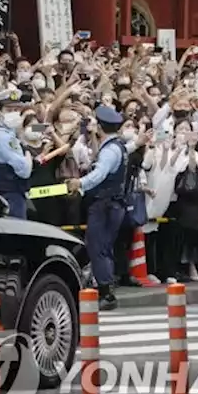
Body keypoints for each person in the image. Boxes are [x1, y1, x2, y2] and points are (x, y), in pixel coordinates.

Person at [69, 105, 128, 310]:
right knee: (104, 247)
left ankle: (106, 293)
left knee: (97, 247)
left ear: (101, 127)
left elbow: (99, 173)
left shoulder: (110, 151)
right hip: (113, 204)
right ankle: (105, 285)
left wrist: (80, 183)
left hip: (105, 204)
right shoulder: (117, 146)